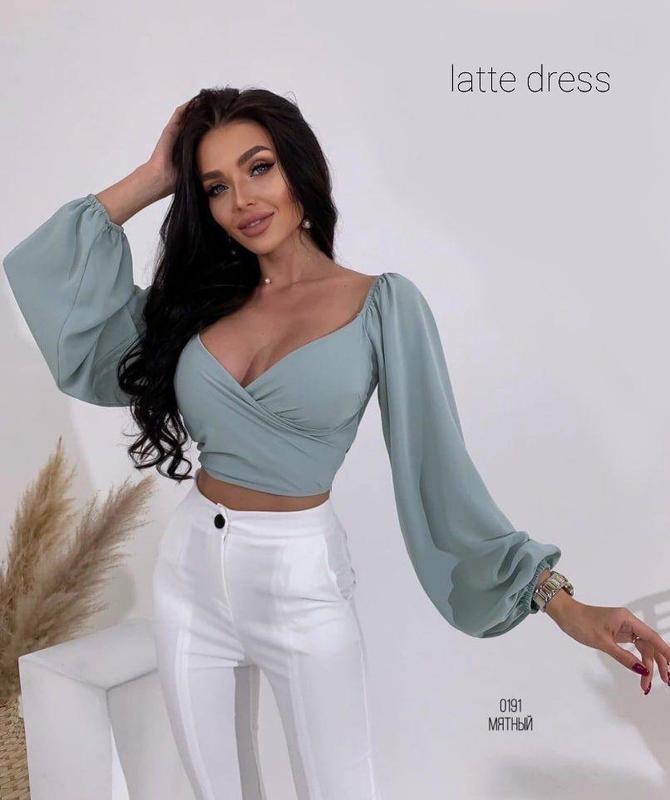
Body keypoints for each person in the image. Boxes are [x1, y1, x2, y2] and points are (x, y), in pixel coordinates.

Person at [4, 86, 669, 800]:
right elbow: (53, 281)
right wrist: (154, 176)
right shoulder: (195, 305)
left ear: (300, 169)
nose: (242, 200)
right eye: (216, 187)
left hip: (300, 582)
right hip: (189, 571)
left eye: (259, 168)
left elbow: (438, 468)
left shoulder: (383, 305)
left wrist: (559, 601)